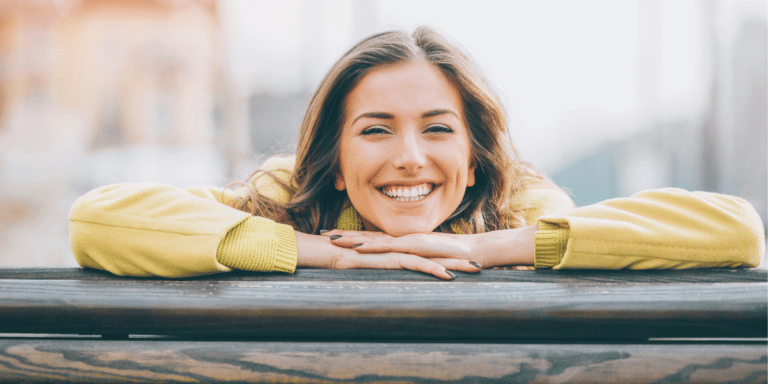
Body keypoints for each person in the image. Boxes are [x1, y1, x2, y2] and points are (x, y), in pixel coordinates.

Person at [68, 27, 765, 279]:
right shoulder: (288, 197)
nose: (409, 156)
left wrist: (487, 251)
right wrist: (321, 251)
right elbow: (96, 221)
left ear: (473, 155)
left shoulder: (518, 208)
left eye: (437, 129)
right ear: (334, 158)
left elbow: (735, 229)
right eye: (375, 129)